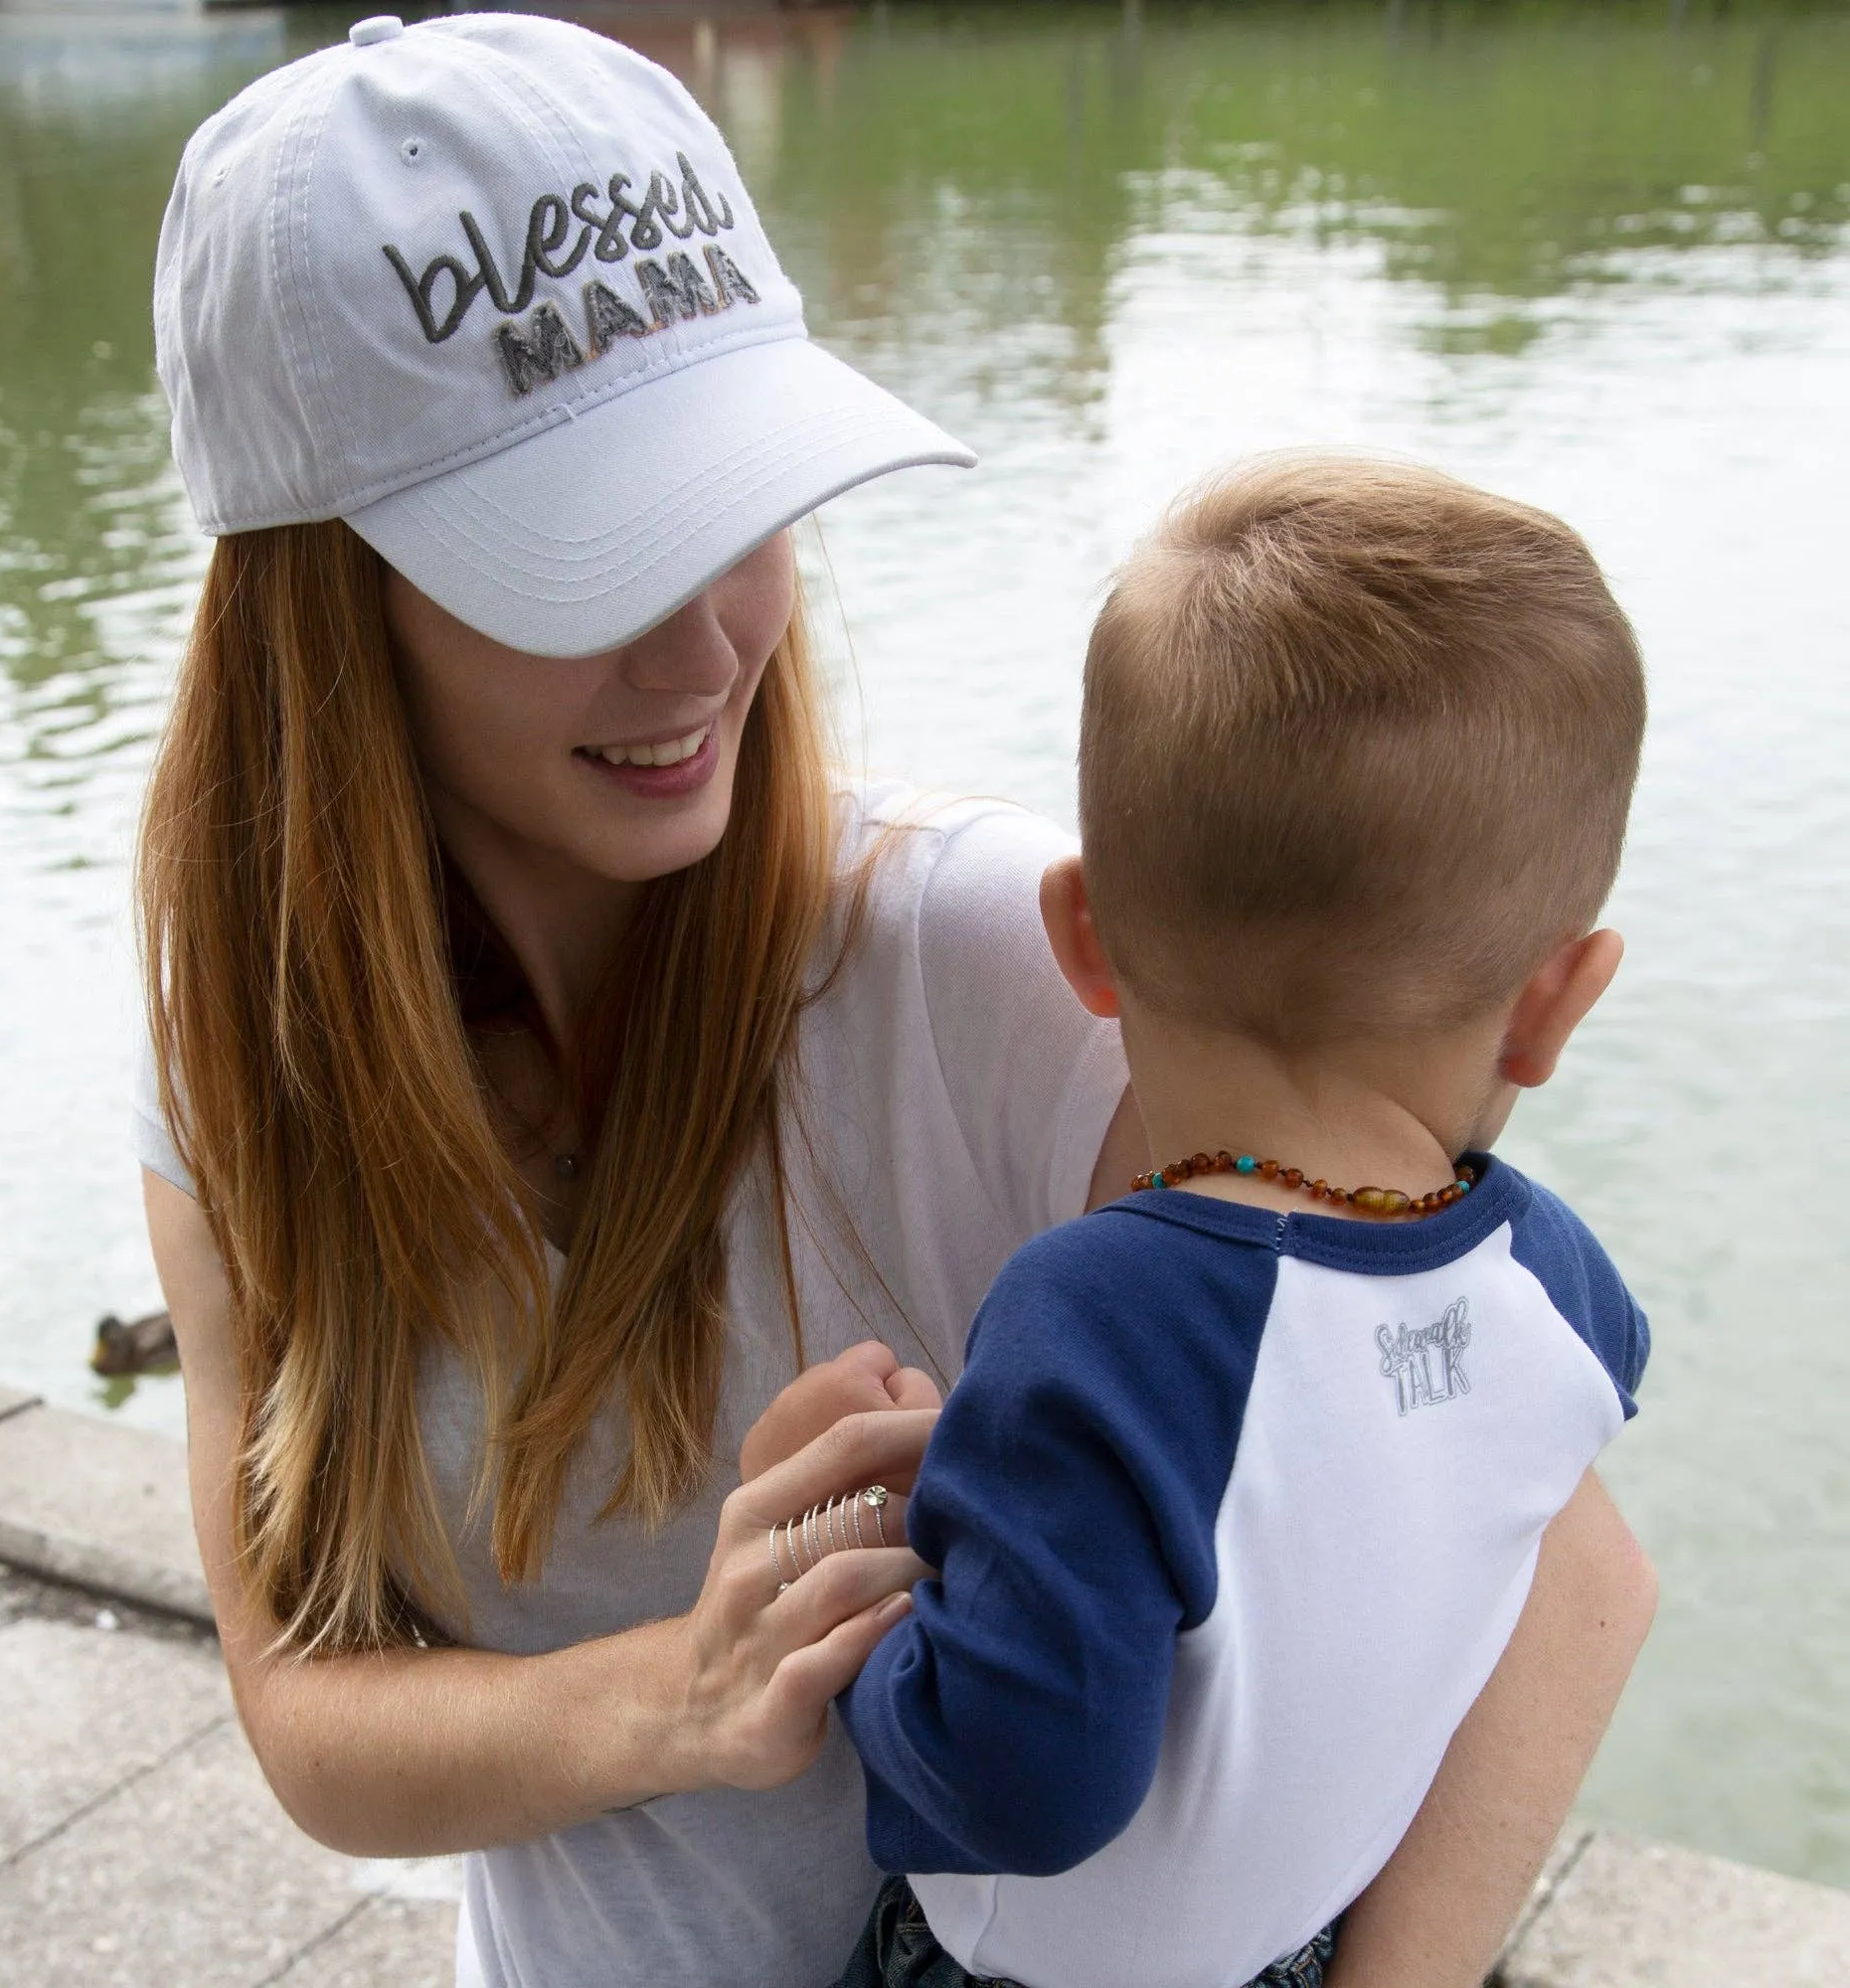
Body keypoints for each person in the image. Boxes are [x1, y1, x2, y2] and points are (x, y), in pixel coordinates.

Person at [134, 17, 1655, 1988]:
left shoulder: (982, 963)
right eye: (586, 556)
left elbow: (1557, 1561)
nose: (710, 645)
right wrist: (681, 1694)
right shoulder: (229, 1040)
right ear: (323, 604)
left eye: (736, 505)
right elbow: (306, 1712)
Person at [744, 456, 1652, 1988]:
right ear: (1557, 1000)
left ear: (1080, 934)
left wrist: (849, 1572)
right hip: (1301, 1952)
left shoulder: (1096, 1321)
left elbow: (1023, 1786)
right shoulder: (1563, 1294)